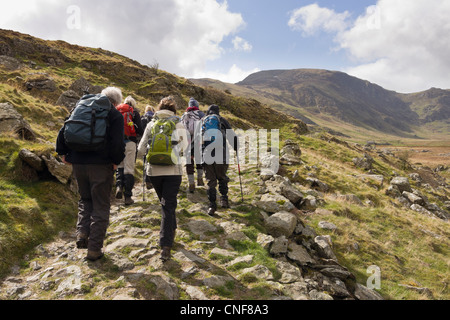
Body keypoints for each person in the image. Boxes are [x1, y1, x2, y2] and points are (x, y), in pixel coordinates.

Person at [56, 87, 126, 261]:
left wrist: (63, 153)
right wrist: (116, 161)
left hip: (78, 163)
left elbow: (63, 130)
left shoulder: (82, 107)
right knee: (101, 205)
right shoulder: (114, 114)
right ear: (116, 103)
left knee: (85, 199)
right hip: (101, 165)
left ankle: (82, 233)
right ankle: (94, 249)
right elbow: (118, 143)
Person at [137, 96, 188, 261]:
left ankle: (171, 231)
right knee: (168, 205)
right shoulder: (178, 123)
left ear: (159, 109)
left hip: (154, 172)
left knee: (165, 204)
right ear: (173, 110)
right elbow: (186, 146)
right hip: (173, 170)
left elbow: (141, 148)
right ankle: (166, 246)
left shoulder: (152, 124)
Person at [201, 104, 239, 217]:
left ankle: (212, 205)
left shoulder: (202, 121)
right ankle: (224, 199)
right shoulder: (222, 121)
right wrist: (236, 147)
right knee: (222, 177)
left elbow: (197, 139)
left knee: (210, 181)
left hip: (206, 155)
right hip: (221, 154)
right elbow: (232, 136)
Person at [115, 96, 144, 206]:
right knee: (129, 169)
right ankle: (128, 196)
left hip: (118, 143)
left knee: (120, 166)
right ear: (133, 104)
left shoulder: (117, 111)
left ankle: (119, 187)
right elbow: (140, 129)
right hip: (130, 142)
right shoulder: (134, 113)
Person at [181, 98, 205, 193]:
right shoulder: (200, 114)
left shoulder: (184, 115)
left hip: (187, 141)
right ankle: (200, 179)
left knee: (189, 161)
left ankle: (191, 183)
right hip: (198, 139)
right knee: (199, 159)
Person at [141, 105, 156, 190]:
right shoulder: (154, 120)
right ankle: (151, 180)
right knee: (152, 162)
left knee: (145, 161)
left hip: (144, 143)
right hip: (153, 143)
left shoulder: (142, 118)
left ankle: (146, 180)